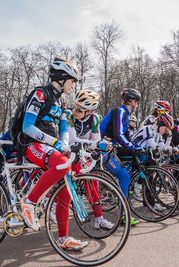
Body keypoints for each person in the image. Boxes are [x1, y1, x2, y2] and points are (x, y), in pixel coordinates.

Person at [19, 57, 89, 250]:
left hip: (50, 146)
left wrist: (64, 144)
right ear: (61, 79)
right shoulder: (40, 94)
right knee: (61, 163)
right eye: (72, 81)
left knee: (66, 188)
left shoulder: (62, 103)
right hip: (33, 145)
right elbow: (27, 127)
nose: (73, 86)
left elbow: (64, 129)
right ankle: (29, 201)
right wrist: (55, 143)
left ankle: (63, 238)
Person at [66, 89, 114, 229]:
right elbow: (73, 140)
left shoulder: (95, 119)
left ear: (89, 111)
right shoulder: (69, 115)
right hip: (66, 149)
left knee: (93, 182)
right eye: (75, 106)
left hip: (80, 152)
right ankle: (53, 205)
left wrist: (100, 146)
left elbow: (96, 141)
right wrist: (94, 144)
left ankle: (99, 219)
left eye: (79, 110)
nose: (75, 111)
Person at [100, 88, 143, 225]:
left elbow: (127, 136)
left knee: (141, 155)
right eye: (137, 102)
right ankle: (123, 215)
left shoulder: (125, 113)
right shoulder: (121, 111)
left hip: (110, 148)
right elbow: (118, 135)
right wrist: (133, 148)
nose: (137, 105)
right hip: (101, 149)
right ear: (132, 101)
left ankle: (125, 185)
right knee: (124, 176)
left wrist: (136, 147)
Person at [131, 113, 174, 212]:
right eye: (166, 128)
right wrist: (165, 149)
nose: (166, 131)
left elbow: (162, 147)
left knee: (151, 174)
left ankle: (151, 202)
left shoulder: (158, 134)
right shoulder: (148, 129)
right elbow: (154, 146)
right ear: (159, 125)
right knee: (151, 167)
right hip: (132, 153)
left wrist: (170, 140)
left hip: (142, 156)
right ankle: (138, 185)